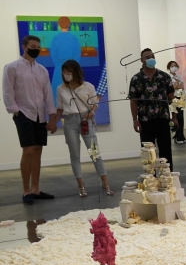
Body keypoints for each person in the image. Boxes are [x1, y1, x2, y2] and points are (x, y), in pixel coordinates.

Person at [4, 35, 57, 204]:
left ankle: (35, 189)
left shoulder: (42, 69)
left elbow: (48, 93)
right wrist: (15, 111)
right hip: (23, 113)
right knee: (27, 150)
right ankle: (26, 190)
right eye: (33, 46)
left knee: (38, 151)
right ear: (24, 47)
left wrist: (52, 116)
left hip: (40, 114)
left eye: (38, 46)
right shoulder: (12, 67)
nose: (36, 49)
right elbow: (7, 91)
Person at [54, 59, 112, 197]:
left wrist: (91, 113)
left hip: (86, 120)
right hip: (69, 122)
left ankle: (105, 183)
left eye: (69, 71)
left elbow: (95, 103)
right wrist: (53, 122)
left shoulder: (88, 86)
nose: (66, 74)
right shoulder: (61, 88)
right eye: (64, 72)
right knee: (74, 155)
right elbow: (60, 108)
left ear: (76, 72)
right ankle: (81, 185)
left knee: (94, 153)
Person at [128, 48, 177, 169]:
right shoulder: (136, 79)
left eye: (152, 56)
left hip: (163, 118)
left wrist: (175, 117)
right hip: (145, 120)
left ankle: (167, 178)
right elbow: (133, 101)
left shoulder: (164, 77)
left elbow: (172, 98)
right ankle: (150, 180)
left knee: (165, 150)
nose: (150, 59)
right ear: (141, 60)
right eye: (147, 57)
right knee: (148, 153)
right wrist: (135, 120)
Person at [167, 61, 186, 144]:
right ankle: (177, 136)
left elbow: (182, 87)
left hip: (180, 97)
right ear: (169, 67)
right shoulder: (168, 77)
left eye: (175, 65)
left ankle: (180, 135)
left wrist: (177, 85)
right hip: (173, 98)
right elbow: (172, 88)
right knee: (176, 117)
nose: (174, 67)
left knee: (181, 117)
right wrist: (177, 85)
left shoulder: (179, 76)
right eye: (172, 66)